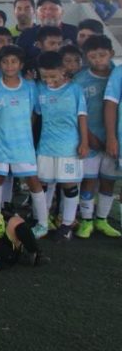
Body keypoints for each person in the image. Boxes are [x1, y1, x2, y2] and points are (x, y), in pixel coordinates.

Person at [34, 51, 88, 240]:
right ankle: (43, 220)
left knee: (69, 184)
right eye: (45, 76)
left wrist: (84, 142)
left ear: (62, 70)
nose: (49, 80)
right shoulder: (39, 89)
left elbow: (82, 116)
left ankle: (67, 224)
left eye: (53, 76)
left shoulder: (75, 89)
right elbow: (35, 115)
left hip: (69, 146)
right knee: (44, 183)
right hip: (46, 145)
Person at [0, 45, 38, 224]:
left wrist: (25, 130)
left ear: (21, 65)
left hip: (22, 144)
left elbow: (34, 113)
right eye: (5, 62)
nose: (9, 66)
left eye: (14, 62)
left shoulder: (29, 86)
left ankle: (42, 222)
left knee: (32, 179)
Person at [74, 35, 121, 239]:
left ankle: (102, 219)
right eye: (93, 56)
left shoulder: (117, 74)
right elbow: (76, 112)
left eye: (102, 55)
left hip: (114, 141)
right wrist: (88, 137)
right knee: (89, 180)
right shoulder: (80, 80)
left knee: (108, 180)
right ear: (86, 57)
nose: (98, 60)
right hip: (90, 140)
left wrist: (113, 138)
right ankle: (86, 220)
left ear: (111, 53)